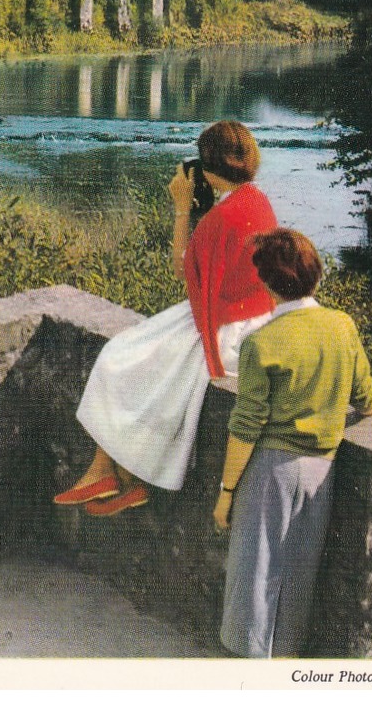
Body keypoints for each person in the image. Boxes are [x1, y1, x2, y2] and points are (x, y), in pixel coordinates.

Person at [55, 120, 277, 515]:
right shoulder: (257, 201)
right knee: (142, 363)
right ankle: (107, 471)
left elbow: (182, 269)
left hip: (223, 328)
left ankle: (121, 474)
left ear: (207, 169)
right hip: (252, 319)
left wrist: (180, 209)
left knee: (120, 357)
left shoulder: (219, 220)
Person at [216, 228, 372, 657]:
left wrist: (226, 494)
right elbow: (369, 399)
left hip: (272, 468)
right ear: (315, 275)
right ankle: (285, 665)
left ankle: (247, 671)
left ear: (268, 284)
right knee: (300, 574)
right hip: (322, 469)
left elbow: (246, 425)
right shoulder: (342, 327)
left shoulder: (261, 343)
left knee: (254, 575)